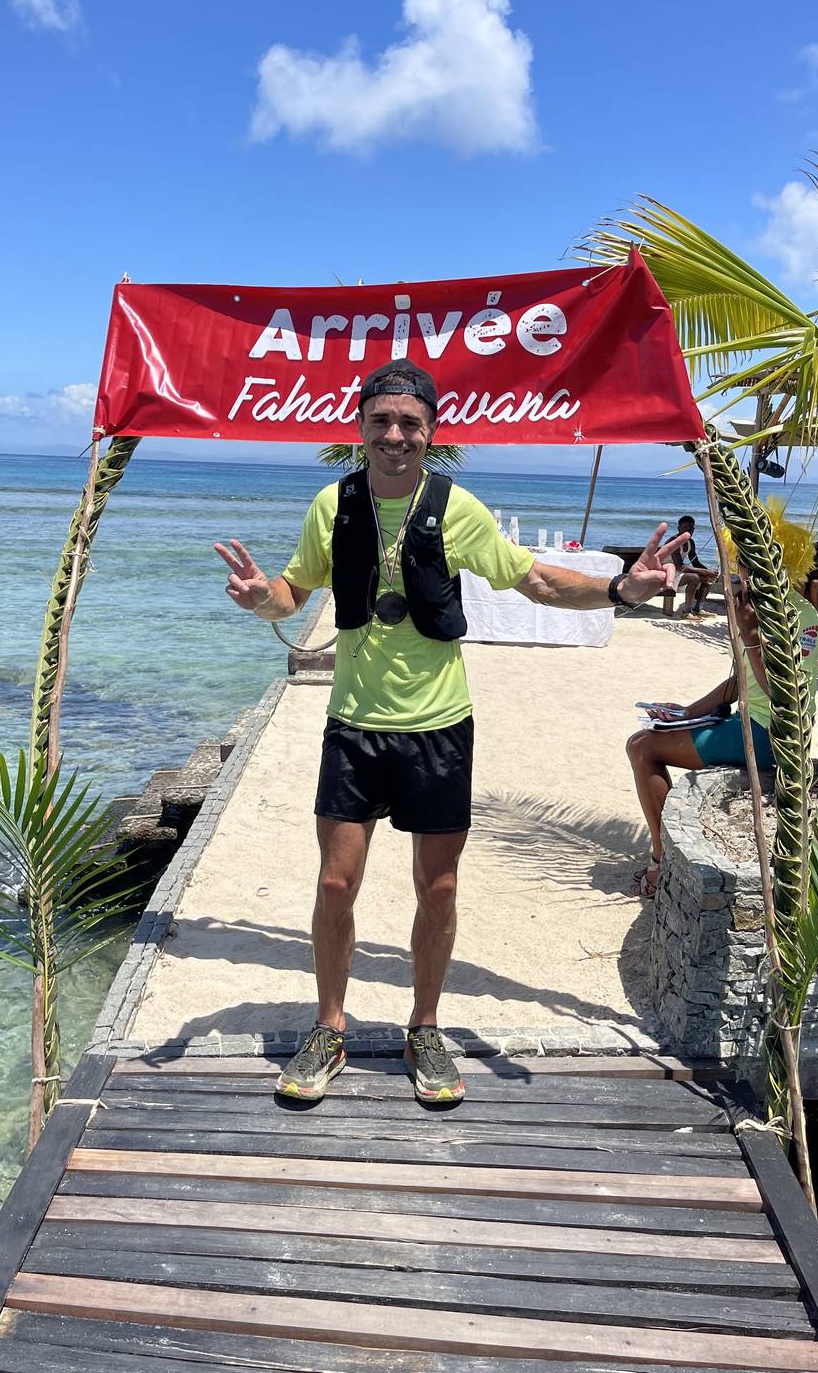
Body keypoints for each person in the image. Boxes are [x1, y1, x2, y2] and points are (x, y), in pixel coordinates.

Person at [215, 358, 685, 1105]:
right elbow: (291, 592)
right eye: (381, 421)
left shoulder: (456, 509)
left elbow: (536, 580)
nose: (395, 435)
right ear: (360, 427)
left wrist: (621, 588)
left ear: (430, 432)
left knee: (438, 886)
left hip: (438, 728)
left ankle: (425, 1028)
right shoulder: (332, 506)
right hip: (354, 726)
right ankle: (329, 1027)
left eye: (410, 423)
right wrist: (258, 599)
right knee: (335, 882)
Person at [625, 568, 818, 900]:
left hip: (773, 734)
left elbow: (785, 695)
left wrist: (751, 636)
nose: (740, 572)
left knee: (644, 748)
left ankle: (662, 861)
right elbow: (740, 681)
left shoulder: (799, 615)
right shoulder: (752, 604)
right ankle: (664, 854)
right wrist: (687, 712)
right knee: (640, 742)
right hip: (746, 720)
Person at [671, 515, 719, 619]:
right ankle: (686, 611)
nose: (688, 530)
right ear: (679, 528)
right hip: (667, 574)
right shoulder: (674, 541)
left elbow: (695, 563)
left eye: (691, 528)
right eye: (685, 527)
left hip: (677, 572)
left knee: (708, 578)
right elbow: (679, 567)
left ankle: (698, 608)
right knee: (694, 577)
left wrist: (709, 572)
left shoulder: (690, 542)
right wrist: (706, 571)